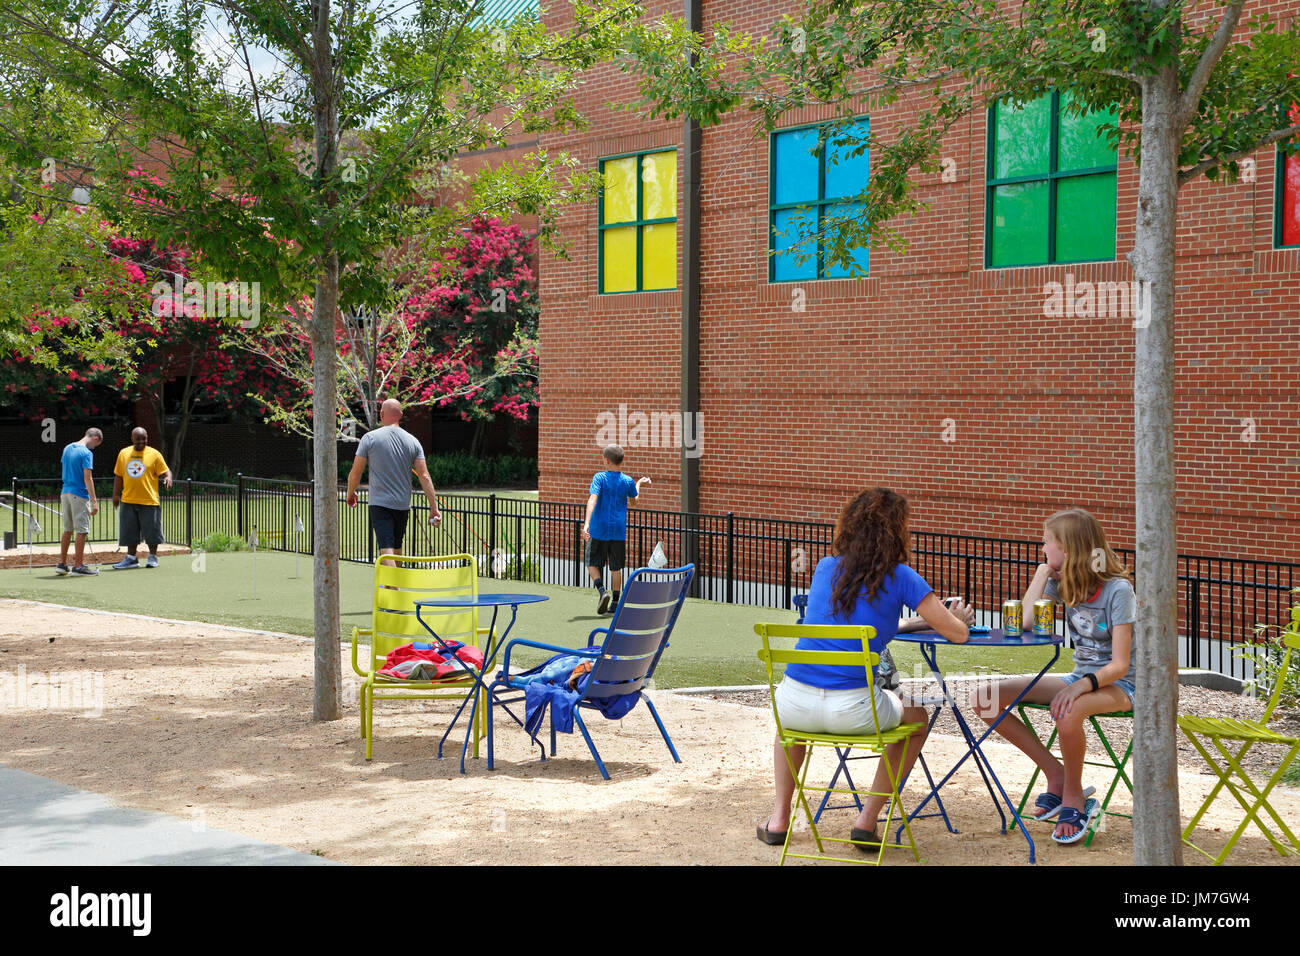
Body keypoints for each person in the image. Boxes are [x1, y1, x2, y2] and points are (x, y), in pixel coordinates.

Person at [758, 488, 971, 850]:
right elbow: (958, 633)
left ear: (849, 525)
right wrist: (957, 618)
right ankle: (867, 820)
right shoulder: (902, 576)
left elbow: (851, 625)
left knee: (789, 730)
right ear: (897, 532)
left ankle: (779, 820)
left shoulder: (826, 568)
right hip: (854, 710)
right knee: (917, 717)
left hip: (794, 704)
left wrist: (911, 623)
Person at [970, 508, 1135, 845]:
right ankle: (1055, 773)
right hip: (1081, 677)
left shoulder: (1119, 590)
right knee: (984, 698)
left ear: (1069, 550)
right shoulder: (1065, 583)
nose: (1042, 549)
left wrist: (1079, 688)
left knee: (1069, 709)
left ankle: (1074, 798)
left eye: (1047, 544)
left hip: (1123, 684)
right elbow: (1025, 622)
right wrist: (1042, 573)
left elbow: (1120, 664)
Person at [346, 399, 442, 556]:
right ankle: (396, 581)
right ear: (400, 415)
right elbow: (424, 476)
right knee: (396, 547)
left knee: (386, 549)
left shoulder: (369, 438)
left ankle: (392, 581)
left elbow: (355, 473)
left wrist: (350, 493)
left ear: (382, 414)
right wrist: (434, 508)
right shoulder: (413, 442)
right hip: (402, 505)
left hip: (380, 504)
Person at [581, 444, 650, 614]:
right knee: (615, 567)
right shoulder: (627, 481)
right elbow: (634, 501)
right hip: (618, 531)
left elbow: (592, 500)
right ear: (622, 460)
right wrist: (639, 483)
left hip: (599, 530)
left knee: (591, 563)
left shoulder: (600, 478)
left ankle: (602, 591)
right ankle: (615, 603)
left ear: (606, 460)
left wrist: (587, 524)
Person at [112, 427, 172, 568]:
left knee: (152, 531)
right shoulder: (124, 453)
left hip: (149, 500)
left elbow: (166, 470)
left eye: (144, 438)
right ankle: (131, 558)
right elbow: (119, 476)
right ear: (132, 439)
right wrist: (115, 494)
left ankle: (153, 557)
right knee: (129, 532)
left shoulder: (154, 454)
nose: (141, 441)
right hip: (128, 499)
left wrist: (168, 478)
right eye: (138, 439)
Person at [57, 427, 103, 576]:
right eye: (97, 445)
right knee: (82, 531)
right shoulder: (86, 453)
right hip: (79, 494)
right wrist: (94, 501)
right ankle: (78, 566)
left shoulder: (67, 448)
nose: (94, 448)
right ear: (95, 438)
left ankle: (62, 564)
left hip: (65, 492)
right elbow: (87, 478)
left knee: (68, 529)